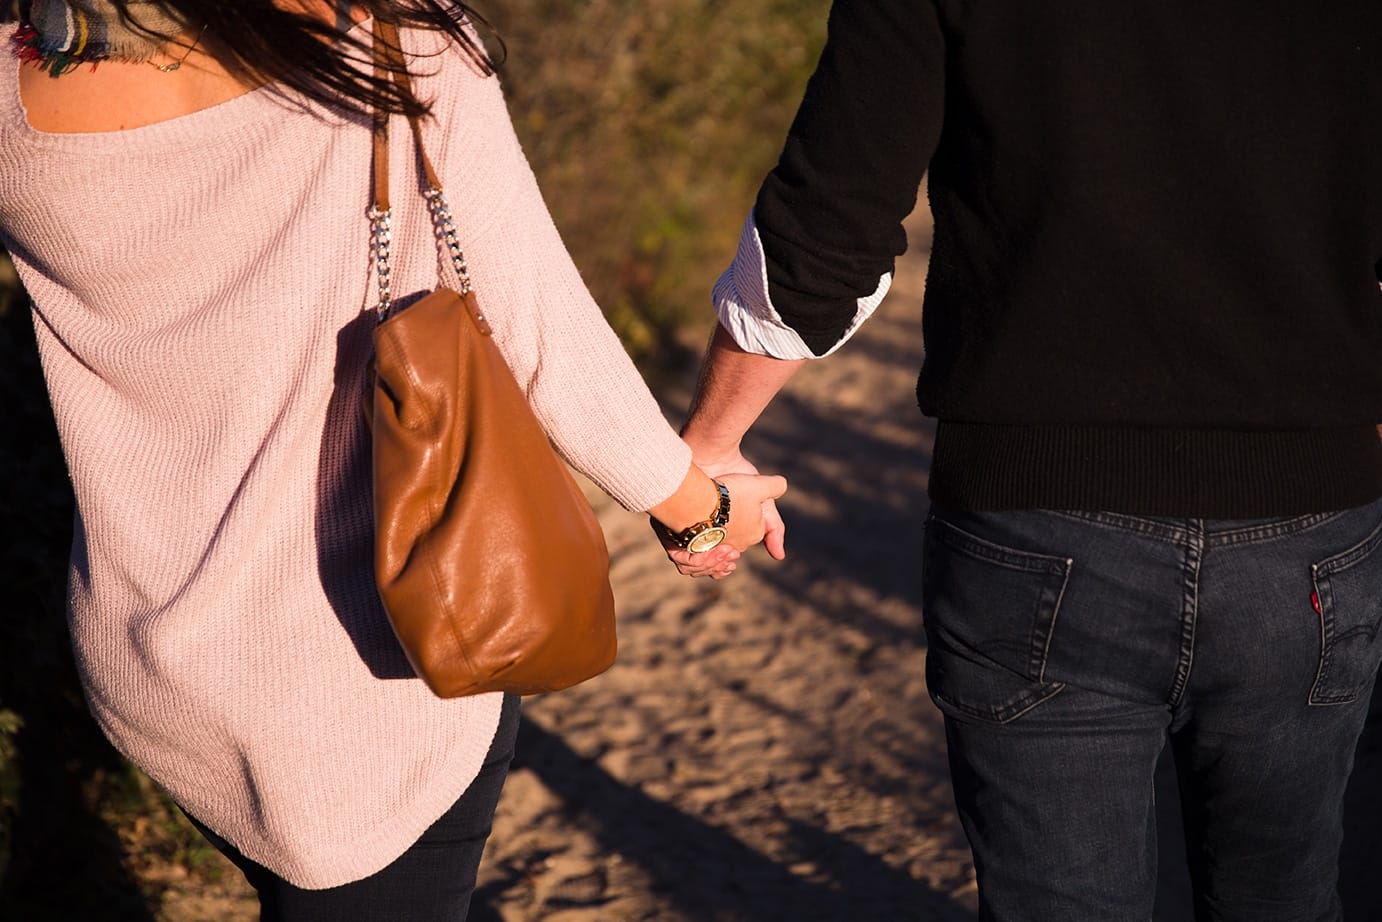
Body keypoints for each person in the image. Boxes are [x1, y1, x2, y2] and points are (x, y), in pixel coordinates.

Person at [0, 0, 786, 917]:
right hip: (376, 679)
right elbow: (539, 331)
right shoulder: (398, 46)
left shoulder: (19, 85)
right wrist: (701, 503)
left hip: (152, 671)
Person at [676, 1, 1382, 919]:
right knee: (1284, 897)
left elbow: (832, 220)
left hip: (1036, 535)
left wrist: (711, 446)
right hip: (1311, 537)